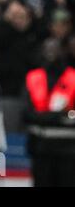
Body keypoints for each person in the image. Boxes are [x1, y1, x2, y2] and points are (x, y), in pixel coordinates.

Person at [23, 38, 75, 187]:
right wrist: (58, 117)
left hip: (68, 150)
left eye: (54, 49)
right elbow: (26, 113)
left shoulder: (73, 78)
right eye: (47, 49)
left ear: (63, 52)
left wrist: (43, 117)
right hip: (40, 148)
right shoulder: (33, 77)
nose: (50, 53)